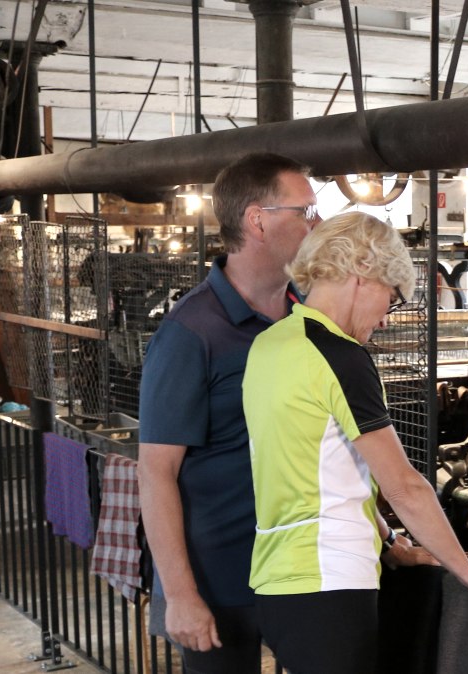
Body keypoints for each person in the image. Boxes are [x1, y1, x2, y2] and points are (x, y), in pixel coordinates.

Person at [243, 211, 468, 674]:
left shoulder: (269, 344)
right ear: (362, 273)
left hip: (277, 581)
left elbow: (319, 468)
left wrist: (389, 540)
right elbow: (404, 486)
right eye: (391, 297)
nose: (386, 319)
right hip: (330, 584)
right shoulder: (340, 356)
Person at [137, 152, 322, 673]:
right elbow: (155, 472)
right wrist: (180, 594)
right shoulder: (191, 332)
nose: (317, 224)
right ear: (257, 219)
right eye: (304, 211)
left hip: (302, 568)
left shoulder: (308, 317)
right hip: (221, 579)